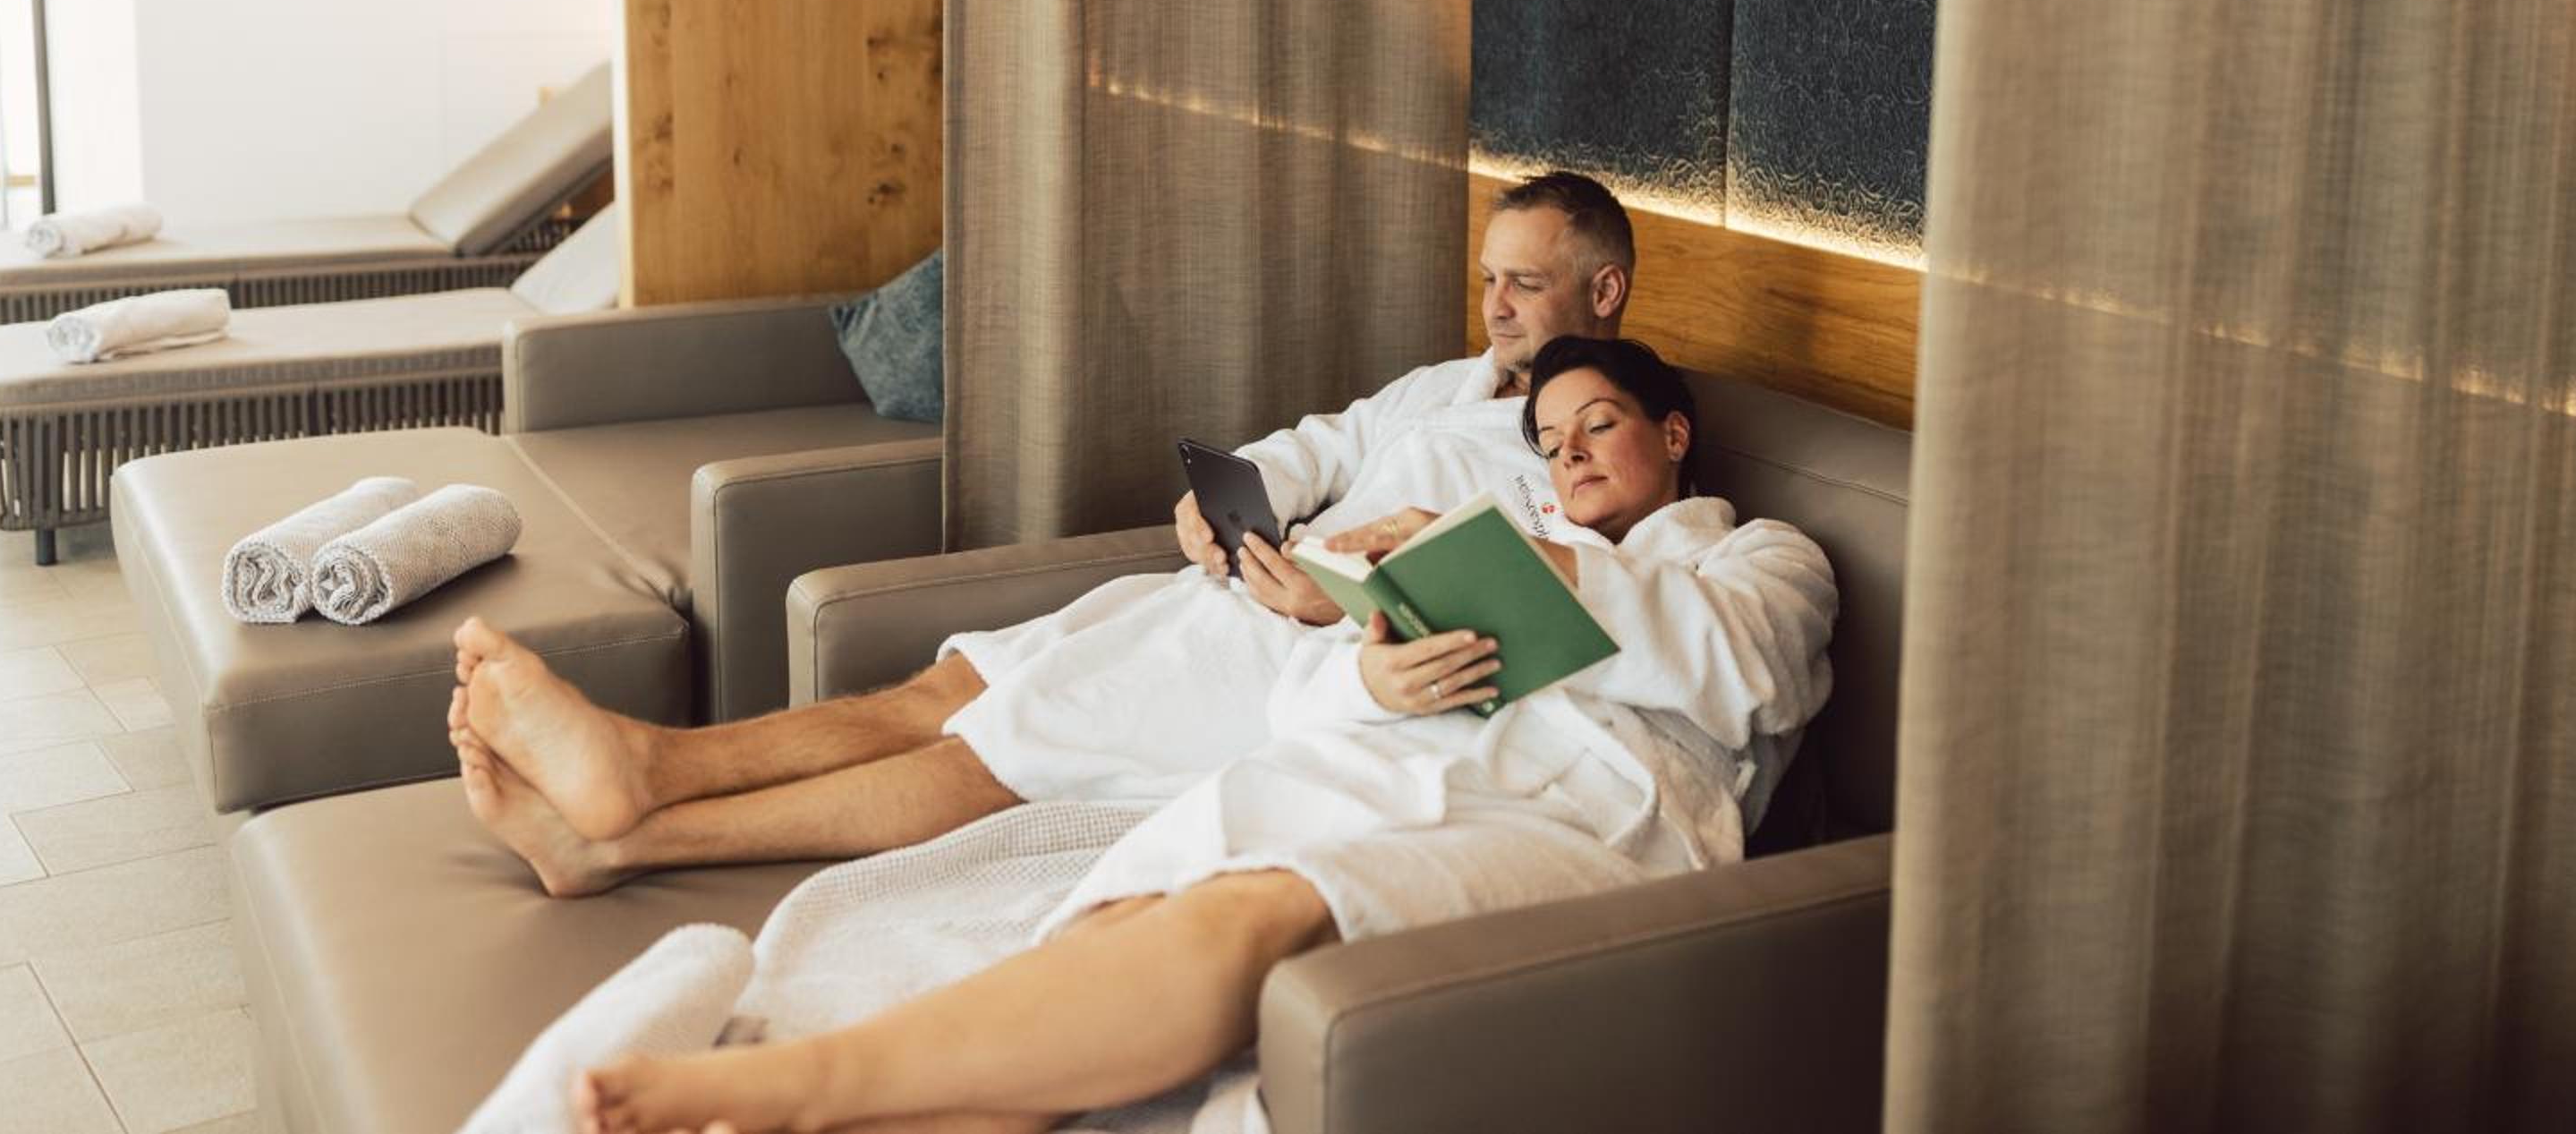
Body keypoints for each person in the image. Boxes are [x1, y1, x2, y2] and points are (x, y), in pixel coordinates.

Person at [568, 334, 1838, 1134]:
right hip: (1390, 760)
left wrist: (1542, 566)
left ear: (1673, 434)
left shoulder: (1762, 558)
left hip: (1579, 821)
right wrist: (1379, 681)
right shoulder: (1501, 525)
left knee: (1258, 910)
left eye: (1598, 426)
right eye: (1551, 444)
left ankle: (800, 1087)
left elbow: (1749, 671)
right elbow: (1304, 701)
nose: (1571, 457)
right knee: (1138, 910)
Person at [449, 172, 1641, 895]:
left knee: (990, 752)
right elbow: (1320, 443)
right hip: (1229, 597)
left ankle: (627, 836)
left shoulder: (1602, 440)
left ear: (1605, 292)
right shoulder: (1450, 383)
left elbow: (1529, 593)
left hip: (1310, 664)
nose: (1494, 306)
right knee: (953, 685)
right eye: (1488, 278)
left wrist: (1340, 596)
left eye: (1524, 286)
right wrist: (1237, 499)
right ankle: (650, 765)